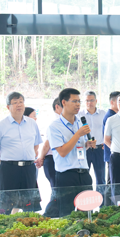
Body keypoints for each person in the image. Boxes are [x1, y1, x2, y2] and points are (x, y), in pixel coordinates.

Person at [43, 88, 96, 217]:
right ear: (64, 102)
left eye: (79, 101)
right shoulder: (54, 126)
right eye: (74, 101)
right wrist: (78, 134)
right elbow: (62, 152)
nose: (78, 105)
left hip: (84, 173)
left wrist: (88, 144)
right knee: (66, 214)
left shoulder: (80, 122)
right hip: (66, 176)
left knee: (87, 214)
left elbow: (79, 146)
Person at [0, 92, 42, 214]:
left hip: (29, 168)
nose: (19, 105)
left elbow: (36, 144)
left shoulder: (32, 123)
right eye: (15, 103)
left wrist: (30, 155)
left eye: (21, 102)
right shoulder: (0, 125)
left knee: (29, 205)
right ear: (8, 107)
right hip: (9, 169)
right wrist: (5, 161)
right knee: (8, 205)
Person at [78, 91, 106, 186]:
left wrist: (105, 142)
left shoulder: (103, 113)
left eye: (92, 100)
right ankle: (86, 194)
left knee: (101, 177)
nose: (89, 103)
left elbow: (107, 130)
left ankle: (101, 195)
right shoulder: (79, 114)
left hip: (99, 149)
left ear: (96, 101)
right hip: (85, 149)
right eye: (87, 101)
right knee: (84, 176)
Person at [36, 98, 63, 188]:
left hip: (55, 158)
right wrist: (41, 157)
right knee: (57, 188)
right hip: (52, 159)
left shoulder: (59, 120)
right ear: (57, 107)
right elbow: (47, 143)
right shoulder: (55, 122)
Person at [103, 91, 120, 184]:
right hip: (113, 154)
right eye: (119, 101)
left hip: (116, 155)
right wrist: (116, 149)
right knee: (112, 182)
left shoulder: (118, 116)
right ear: (112, 102)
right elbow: (107, 139)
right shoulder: (110, 117)